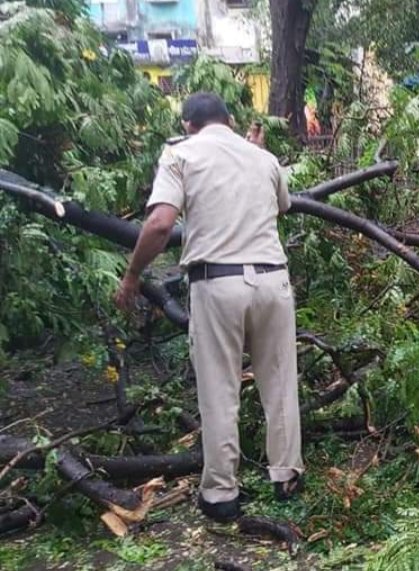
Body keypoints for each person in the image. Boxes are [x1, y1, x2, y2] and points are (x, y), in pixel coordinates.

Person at [114, 92, 304, 523]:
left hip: (217, 284)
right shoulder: (263, 158)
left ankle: (221, 494)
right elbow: (281, 207)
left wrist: (131, 277)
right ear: (231, 120)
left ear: (187, 125)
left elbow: (161, 223)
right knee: (279, 383)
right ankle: (287, 477)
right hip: (273, 280)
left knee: (220, 391)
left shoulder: (180, 155)